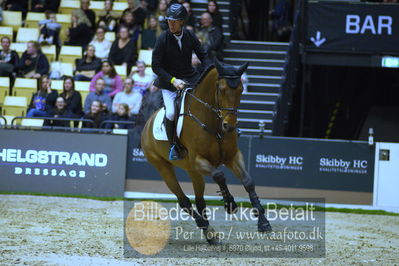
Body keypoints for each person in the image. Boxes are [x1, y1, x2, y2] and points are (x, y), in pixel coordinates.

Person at [152, 3, 210, 160]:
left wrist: (209, 72)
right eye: (169, 20)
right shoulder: (162, 38)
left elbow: (203, 56)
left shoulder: (190, 36)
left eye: (174, 20)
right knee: (171, 112)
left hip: (189, 76)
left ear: (182, 22)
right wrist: (172, 80)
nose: (170, 23)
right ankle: (173, 146)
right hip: (168, 81)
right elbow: (155, 66)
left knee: (206, 100)